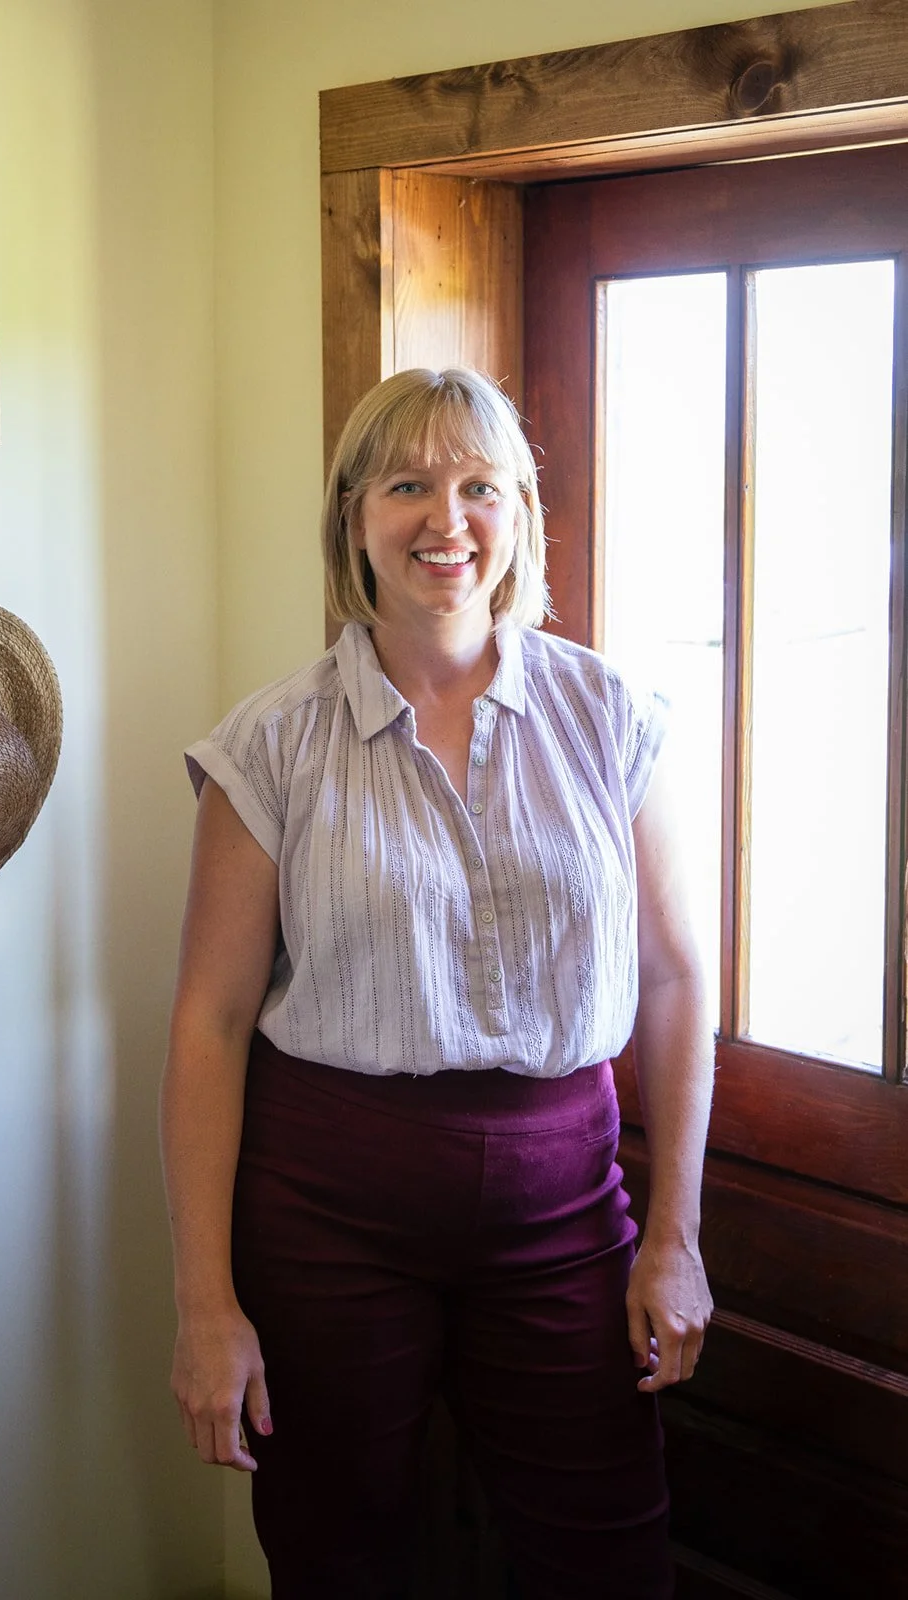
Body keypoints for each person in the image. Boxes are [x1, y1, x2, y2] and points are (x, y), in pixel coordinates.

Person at [161, 367, 713, 1599]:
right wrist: (204, 1304)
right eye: (406, 484)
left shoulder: (609, 715)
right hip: (323, 1218)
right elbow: (207, 1025)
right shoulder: (272, 744)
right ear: (353, 514)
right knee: (335, 1553)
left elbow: (674, 980)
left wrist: (672, 1236)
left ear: (519, 511)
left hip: (566, 1206)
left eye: (477, 486)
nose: (443, 519)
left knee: (608, 1549)